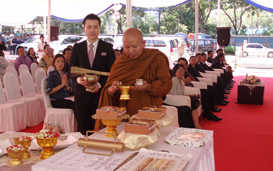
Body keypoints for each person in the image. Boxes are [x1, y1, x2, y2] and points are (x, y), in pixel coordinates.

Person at [96, 28, 172, 130]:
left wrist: (148, 87)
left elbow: (166, 84)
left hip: (150, 114)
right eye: (127, 47)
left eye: (134, 46)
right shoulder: (120, 63)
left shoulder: (156, 58)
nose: (130, 51)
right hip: (125, 116)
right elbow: (108, 91)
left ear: (143, 43)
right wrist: (112, 89)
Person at [70, 13, 116, 135]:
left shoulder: (107, 48)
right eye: (89, 27)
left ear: (99, 28)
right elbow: (72, 71)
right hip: (81, 97)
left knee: (101, 131)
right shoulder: (77, 47)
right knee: (84, 130)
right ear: (84, 28)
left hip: (100, 97)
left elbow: (112, 73)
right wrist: (80, 81)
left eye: (95, 27)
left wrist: (99, 85)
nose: (92, 30)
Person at [169, 64, 202, 129]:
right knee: (191, 103)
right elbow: (174, 95)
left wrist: (189, 96)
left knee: (193, 101)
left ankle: (195, 125)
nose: (182, 73)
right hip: (173, 101)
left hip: (181, 100)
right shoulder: (173, 80)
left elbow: (181, 94)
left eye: (183, 71)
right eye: (180, 71)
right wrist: (187, 97)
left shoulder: (182, 81)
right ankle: (196, 126)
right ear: (175, 72)